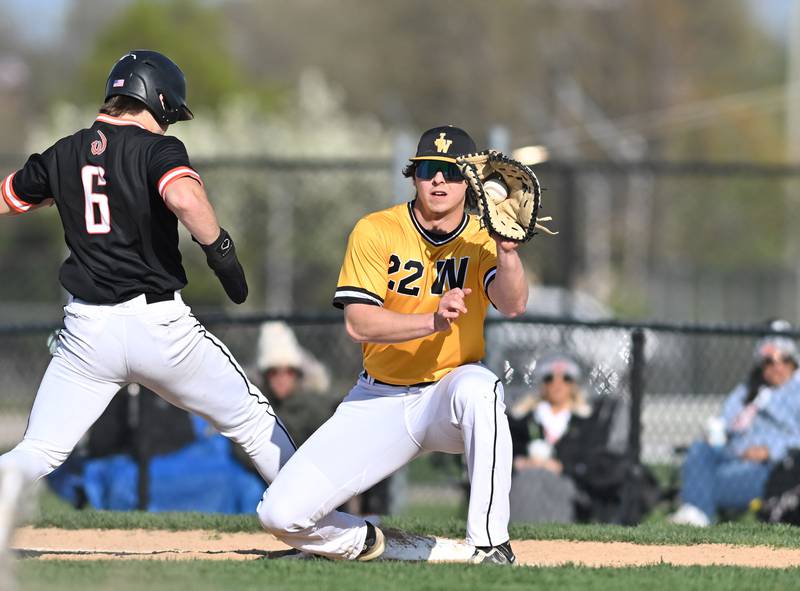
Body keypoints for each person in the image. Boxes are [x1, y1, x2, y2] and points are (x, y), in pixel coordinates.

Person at [0, 51, 365, 551]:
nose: (167, 121)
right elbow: (185, 199)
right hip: (159, 327)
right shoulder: (158, 149)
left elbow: (10, 196)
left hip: (87, 333)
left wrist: (62, 192)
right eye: (168, 111)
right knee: (253, 422)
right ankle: (320, 526)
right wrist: (222, 252)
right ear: (157, 99)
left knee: (39, 448)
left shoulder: (63, 152)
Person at [257, 125, 530, 564]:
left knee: (482, 386)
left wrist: (509, 253)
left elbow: (513, 303)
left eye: (451, 172)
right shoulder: (376, 230)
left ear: (469, 185)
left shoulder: (482, 237)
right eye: (428, 170)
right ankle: (387, 545)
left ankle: (490, 543)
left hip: (446, 397)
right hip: (379, 397)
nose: (439, 180)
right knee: (279, 515)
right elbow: (359, 324)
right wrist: (433, 320)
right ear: (414, 176)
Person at [670, 333, 800, 526]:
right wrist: (715, 434)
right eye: (769, 361)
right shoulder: (748, 390)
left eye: (784, 360)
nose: (777, 366)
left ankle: (696, 514)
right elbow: (725, 420)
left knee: (705, 481)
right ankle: (697, 514)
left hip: (770, 466)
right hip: (732, 452)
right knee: (699, 449)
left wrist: (769, 451)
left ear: (794, 363)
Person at [508, 352, 636, 523]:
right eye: (549, 378)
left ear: (574, 383)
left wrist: (562, 467)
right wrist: (519, 462)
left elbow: (593, 461)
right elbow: (506, 451)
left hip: (568, 486)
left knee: (549, 484)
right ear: (542, 383)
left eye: (566, 378)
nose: (557, 384)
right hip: (525, 480)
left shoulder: (587, 420)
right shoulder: (523, 417)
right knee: (528, 481)